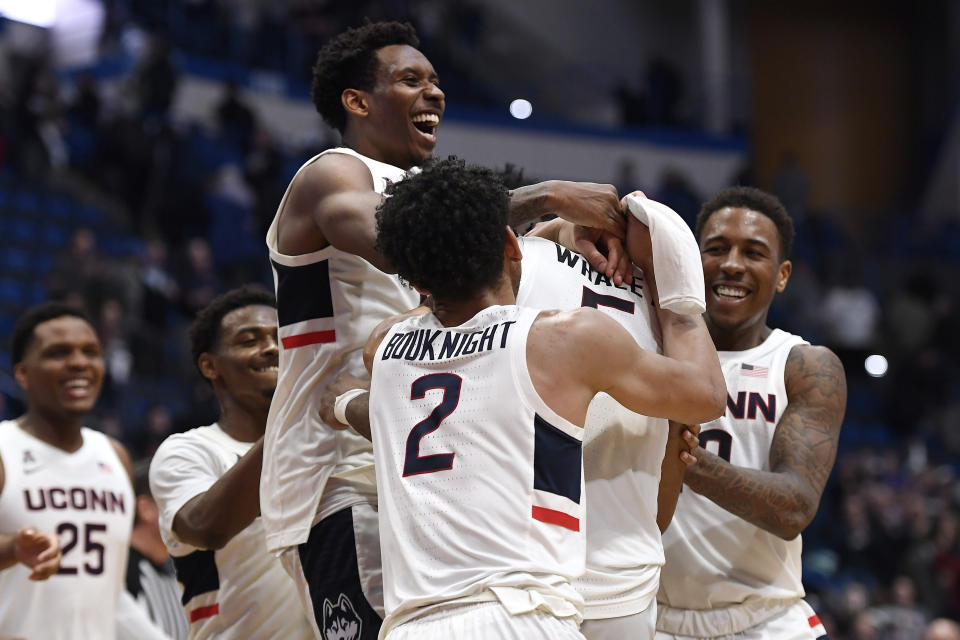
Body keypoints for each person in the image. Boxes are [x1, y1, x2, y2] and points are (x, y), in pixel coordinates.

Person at [262, 20, 629, 639]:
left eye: (436, 82)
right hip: (340, 469)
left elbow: (483, 269)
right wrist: (550, 196)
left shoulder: (427, 193)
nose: (434, 93)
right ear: (358, 102)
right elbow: (400, 239)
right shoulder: (334, 172)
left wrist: (556, 239)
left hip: (420, 462)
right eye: (410, 80)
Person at [360, 157, 724, 638]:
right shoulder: (561, 340)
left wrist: (550, 229)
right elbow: (705, 395)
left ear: (419, 282)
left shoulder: (385, 350)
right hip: (523, 614)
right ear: (514, 244)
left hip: (414, 623)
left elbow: (427, 303)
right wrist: (677, 304)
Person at [655, 186, 847, 640]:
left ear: (782, 275)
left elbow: (795, 508)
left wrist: (688, 462)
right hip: (649, 617)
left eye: (753, 252)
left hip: (765, 620)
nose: (732, 264)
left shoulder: (804, 364)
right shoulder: (645, 351)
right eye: (716, 248)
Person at [149, 287, 312, 639]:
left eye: (279, 337)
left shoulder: (321, 440)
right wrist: (291, 420)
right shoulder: (190, 450)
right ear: (210, 365)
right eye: (249, 340)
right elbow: (205, 527)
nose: (271, 348)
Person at [0, 302, 135, 639]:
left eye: (91, 351)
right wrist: (12, 549)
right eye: (58, 353)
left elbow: (111, 591)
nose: (79, 363)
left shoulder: (115, 456)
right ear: (22, 373)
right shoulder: (4, 448)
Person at [116, 460, 189, 640]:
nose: (191, 509)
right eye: (179, 498)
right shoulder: (120, 571)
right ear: (145, 508)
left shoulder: (180, 571)